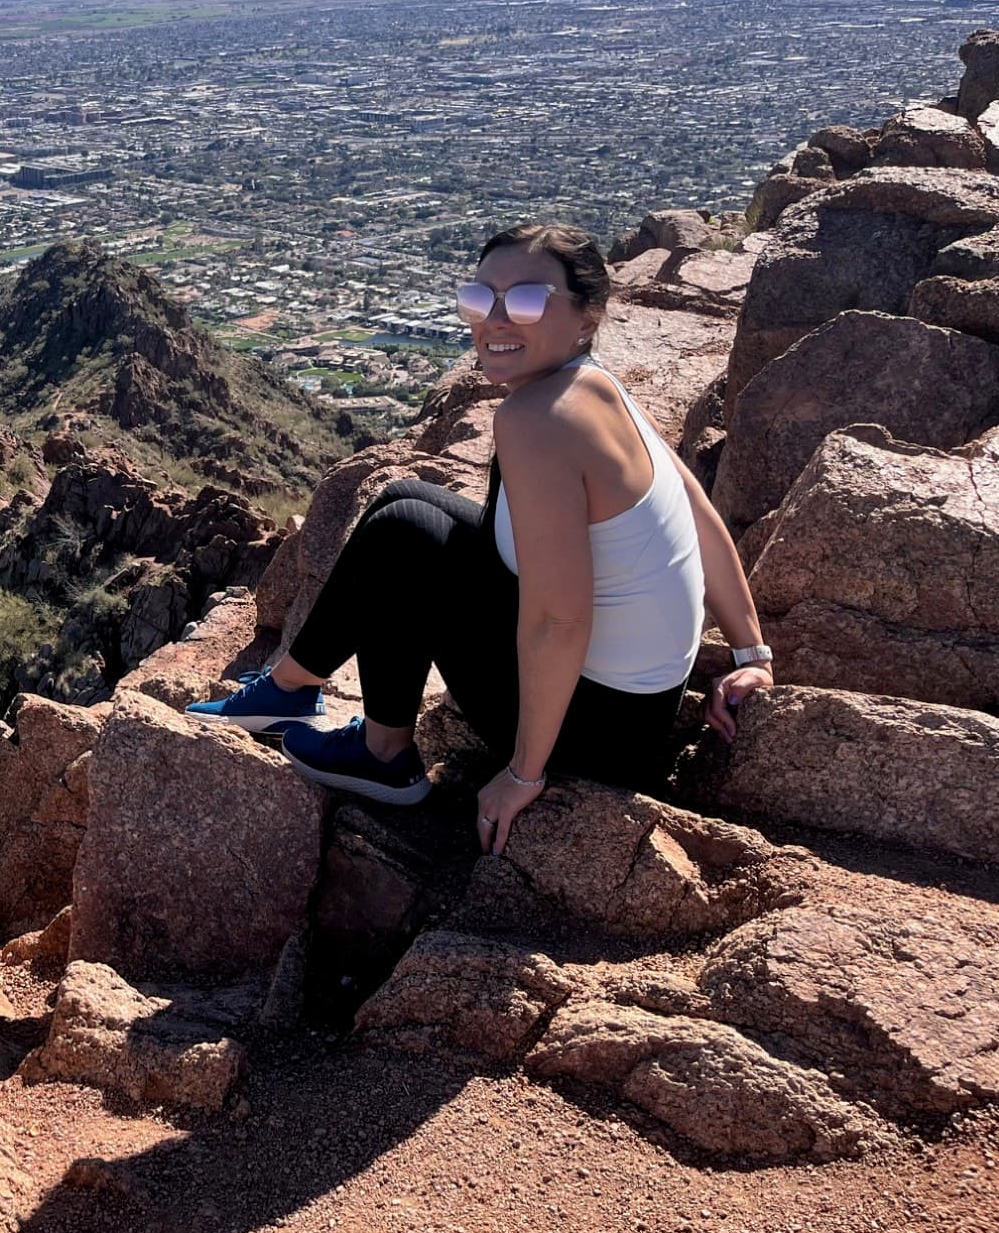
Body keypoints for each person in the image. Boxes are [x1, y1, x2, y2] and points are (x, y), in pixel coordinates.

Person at [187, 223, 776, 854]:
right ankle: (292, 693)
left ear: (587, 315)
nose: (495, 319)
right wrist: (752, 654)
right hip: (635, 708)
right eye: (480, 298)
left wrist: (524, 774)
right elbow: (700, 516)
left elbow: (559, 620)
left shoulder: (537, 419)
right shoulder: (597, 384)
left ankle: (370, 748)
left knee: (404, 536)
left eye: (525, 300)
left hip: (597, 735)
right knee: (404, 501)